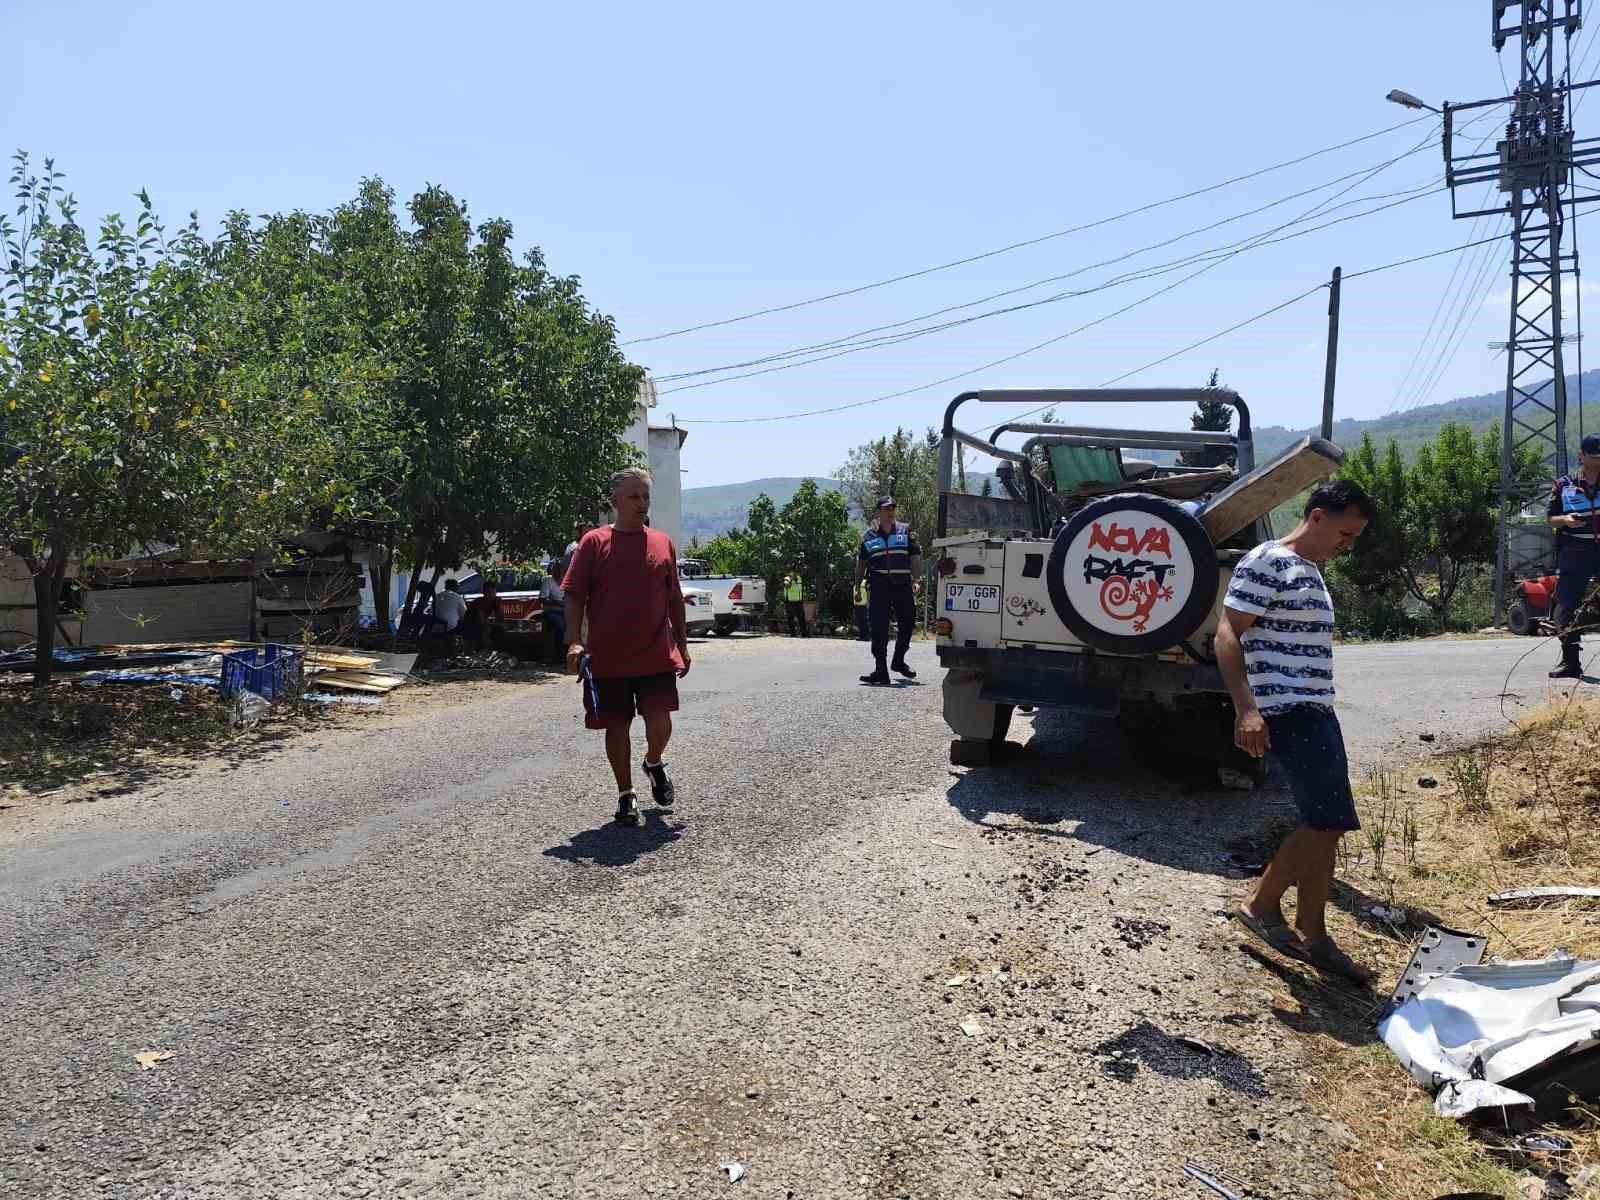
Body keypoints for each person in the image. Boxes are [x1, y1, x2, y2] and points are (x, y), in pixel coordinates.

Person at [1215, 479, 1376, 984]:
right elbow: (1226, 633)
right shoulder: (1268, 560)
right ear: (1318, 516)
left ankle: (1314, 930)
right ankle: (1262, 905)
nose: (1346, 545)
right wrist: (1247, 709)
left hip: (1315, 707)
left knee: (1326, 824)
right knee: (1326, 822)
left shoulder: (1311, 569)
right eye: (1344, 534)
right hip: (1285, 709)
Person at [563, 468, 691, 826]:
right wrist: (574, 641)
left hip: (656, 652)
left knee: (660, 722)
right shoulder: (593, 543)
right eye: (634, 496)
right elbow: (574, 595)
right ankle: (626, 795)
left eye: (646, 496)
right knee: (616, 725)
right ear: (615, 501)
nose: (641, 503)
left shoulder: (662, 542)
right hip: (608, 657)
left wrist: (682, 644)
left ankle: (653, 762)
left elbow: (674, 599)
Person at [1546, 434, 1600, 679]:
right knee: (1566, 607)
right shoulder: (1564, 484)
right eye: (1593, 456)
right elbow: (1550, 519)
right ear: (1581, 456)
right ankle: (1570, 662)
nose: (1598, 459)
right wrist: (1565, 520)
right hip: (1575, 551)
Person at [857, 497, 921, 685]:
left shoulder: (906, 531)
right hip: (878, 587)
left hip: (902, 586)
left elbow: (915, 556)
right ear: (879, 512)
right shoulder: (868, 536)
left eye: (893, 508)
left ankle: (898, 660)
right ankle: (881, 671)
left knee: (908, 624)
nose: (890, 511)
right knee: (878, 629)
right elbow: (861, 564)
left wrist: (916, 580)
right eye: (886, 509)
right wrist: (856, 585)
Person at [459, 577, 503, 649]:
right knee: (486, 629)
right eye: (488, 592)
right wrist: (492, 623)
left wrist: (499, 606)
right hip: (470, 626)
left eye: (493, 593)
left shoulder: (496, 600)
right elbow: (481, 620)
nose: (491, 595)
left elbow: (501, 617)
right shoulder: (479, 602)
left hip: (480, 625)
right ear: (483, 593)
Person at [540, 558, 566, 663]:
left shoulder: (566, 580)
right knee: (561, 627)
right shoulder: (548, 580)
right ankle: (558, 656)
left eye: (561, 568)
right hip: (552, 611)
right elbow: (542, 599)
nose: (560, 571)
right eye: (557, 568)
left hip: (566, 610)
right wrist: (557, 603)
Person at [783, 573, 808, 638]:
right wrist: (790, 580)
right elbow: (786, 586)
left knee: (802, 618)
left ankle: (804, 633)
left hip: (799, 601)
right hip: (790, 602)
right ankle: (793, 634)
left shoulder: (799, 578)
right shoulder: (787, 578)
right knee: (791, 618)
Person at [853, 577, 870, 641]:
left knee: (864, 621)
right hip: (857, 604)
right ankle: (861, 635)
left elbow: (868, 592)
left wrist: (868, 603)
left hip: (864, 604)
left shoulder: (865, 582)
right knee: (859, 621)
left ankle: (866, 636)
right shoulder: (856, 583)